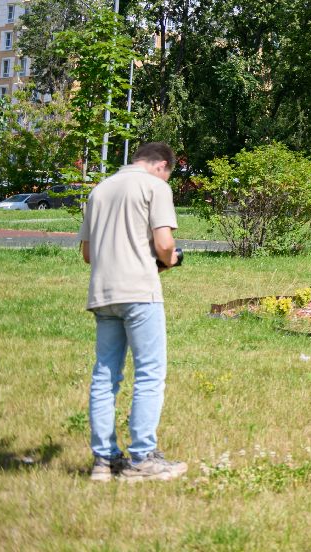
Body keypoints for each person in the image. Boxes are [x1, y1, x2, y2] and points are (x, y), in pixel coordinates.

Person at [78, 141, 186, 482]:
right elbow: (165, 245)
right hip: (140, 291)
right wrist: (172, 261)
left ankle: (104, 460)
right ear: (161, 166)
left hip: (103, 293)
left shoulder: (100, 190)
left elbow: (87, 254)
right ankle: (142, 459)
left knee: (105, 375)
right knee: (150, 373)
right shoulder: (155, 187)